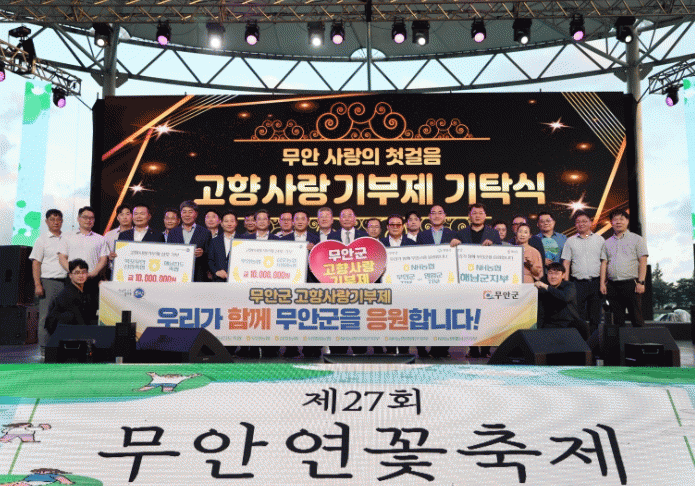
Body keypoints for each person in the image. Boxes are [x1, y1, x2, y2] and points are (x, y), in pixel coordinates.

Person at [454, 204, 500, 358]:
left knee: (487, 316)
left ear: (485, 215)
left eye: (481, 213)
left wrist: (493, 247)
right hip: (467, 282)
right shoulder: (460, 233)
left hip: (487, 281)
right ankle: (472, 349)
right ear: (469, 216)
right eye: (474, 213)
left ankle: (486, 349)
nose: (478, 216)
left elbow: (502, 255)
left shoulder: (493, 234)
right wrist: (452, 245)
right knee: (469, 317)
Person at [281, 210, 321, 359]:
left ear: (308, 221)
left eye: (303, 219)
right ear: (292, 222)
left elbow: (323, 260)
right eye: (296, 219)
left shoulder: (316, 239)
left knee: (311, 317)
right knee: (291, 316)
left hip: (311, 282)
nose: (299, 221)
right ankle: (291, 348)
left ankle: (311, 348)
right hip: (290, 283)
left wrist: (314, 250)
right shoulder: (284, 240)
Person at [328, 207, 368, 354]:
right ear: (339, 219)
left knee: (358, 318)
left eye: (349, 216)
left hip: (359, 286)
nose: (346, 218)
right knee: (339, 318)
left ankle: (360, 349)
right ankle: (338, 351)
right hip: (337, 287)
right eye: (343, 216)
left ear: (355, 219)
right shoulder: (331, 236)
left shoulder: (364, 236)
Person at [600, 210, 648, 328]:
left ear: (627, 221)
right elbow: (604, 264)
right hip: (612, 285)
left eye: (621, 219)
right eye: (615, 219)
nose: (618, 222)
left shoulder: (637, 239)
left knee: (636, 318)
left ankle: (640, 340)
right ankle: (620, 341)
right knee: (617, 321)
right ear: (611, 223)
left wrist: (641, 282)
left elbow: (643, 261)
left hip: (631, 284)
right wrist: (602, 284)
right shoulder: (607, 242)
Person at [561, 211, 605, 337]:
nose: (581, 224)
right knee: (577, 314)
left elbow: (604, 262)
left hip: (595, 282)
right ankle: (580, 342)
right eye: (578, 222)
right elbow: (566, 263)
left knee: (595, 316)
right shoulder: (570, 241)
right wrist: (566, 283)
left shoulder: (600, 239)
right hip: (577, 283)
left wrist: (602, 283)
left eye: (584, 221)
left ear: (590, 223)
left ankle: (594, 343)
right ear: (575, 225)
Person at [29, 209, 66, 354]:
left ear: (62, 221)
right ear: (46, 222)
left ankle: (60, 347)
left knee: (64, 316)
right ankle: (44, 348)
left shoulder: (67, 238)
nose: (55, 222)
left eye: (58, 219)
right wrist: (37, 284)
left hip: (66, 282)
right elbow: (36, 263)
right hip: (48, 282)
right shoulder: (42, 240)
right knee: (46, 316)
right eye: (52, 219)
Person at [379, 214, 414, 355]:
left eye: (398, 224)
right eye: (392, 224)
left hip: (405, 289)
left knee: (404, 320)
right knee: (388, 320)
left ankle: (404, 350)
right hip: (385, 289)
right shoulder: (379, 244)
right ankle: (390, 350)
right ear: (387, 227)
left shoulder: (412, 244)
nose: (395, 227)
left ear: (403, 226)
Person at [57, 206, 109, 294]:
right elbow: (62, 258)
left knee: (92, 302)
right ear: (78, 218)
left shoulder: (100, 239)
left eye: (91, 218)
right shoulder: (67, 236)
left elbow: (103, 259)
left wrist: (94, 273)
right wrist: (73, 273)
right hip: (72, 280)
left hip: (92, 279)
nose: (88, 220)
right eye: (85, 217)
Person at [534, 262, 589, 340]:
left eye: (556, 274)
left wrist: (547, 287)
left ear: (563, 275)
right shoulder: (543, 291)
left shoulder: (569, 286)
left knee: (582, 325)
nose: (553, 276)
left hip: (569, 323)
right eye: (550, 273)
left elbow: (565, 297)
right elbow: (541, 313)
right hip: (552, 324)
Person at [45, 259, 98, 336]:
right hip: (61, 331)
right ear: (70, 275)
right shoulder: (67, 294)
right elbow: (77, 318)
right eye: (77, 273)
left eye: (84, 272)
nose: (81, 276)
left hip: (78, 328)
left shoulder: (89, 292)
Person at [166, 201, 212, 282]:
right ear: (181, 214)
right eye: (184, 212)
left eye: (190, 212)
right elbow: (168, 254)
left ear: (196, 214)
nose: (187, 215)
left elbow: (211, 255)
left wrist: (203, 253)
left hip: (198, 276)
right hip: (177, 276)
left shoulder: (205, 232)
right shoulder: (173, 233)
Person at [208, 209, 237, 282]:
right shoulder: (214, 241)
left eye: (232, 221)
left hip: (237, 280)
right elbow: (210, 260)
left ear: (236, 223)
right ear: (221, 223)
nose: (229, 224)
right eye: (226, 221)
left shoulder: (243, 240)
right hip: (218, 281)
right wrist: (216, 272)